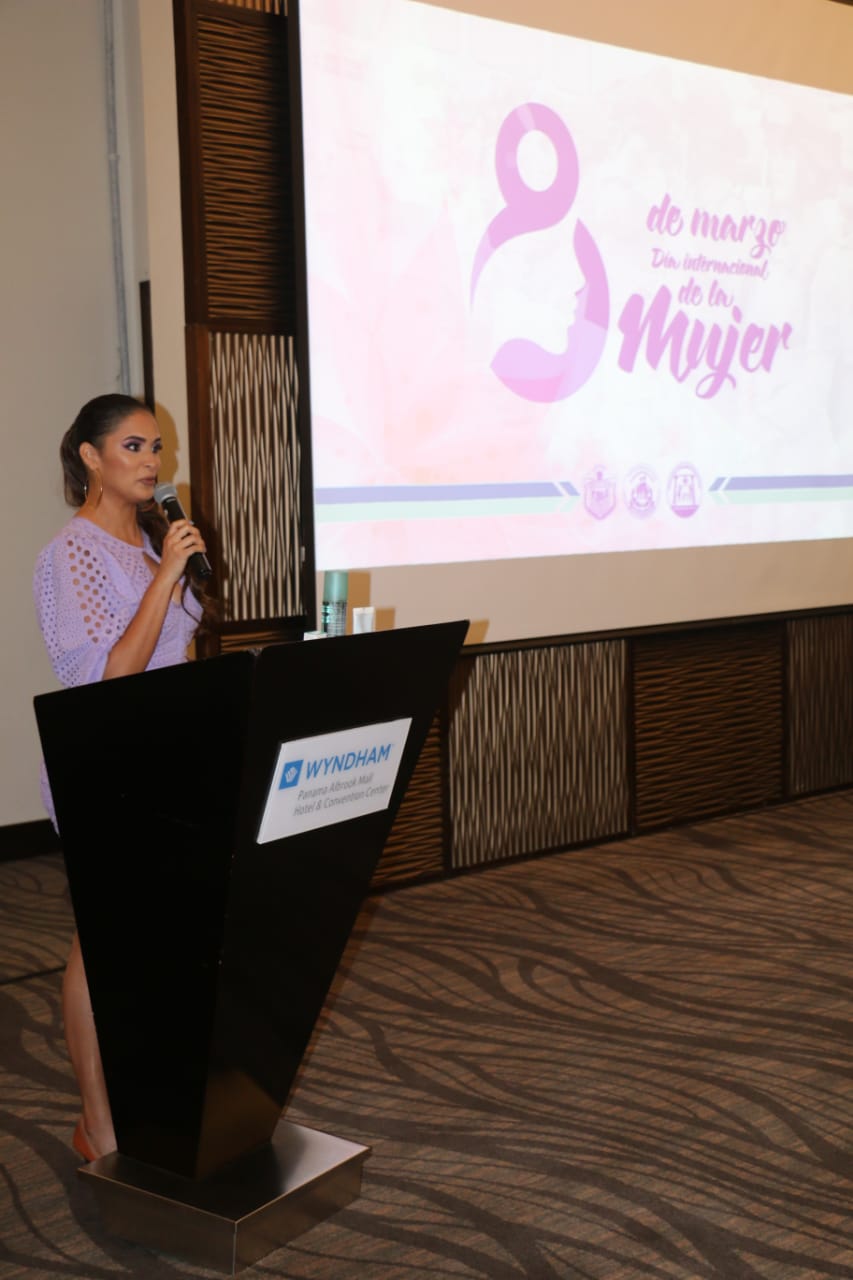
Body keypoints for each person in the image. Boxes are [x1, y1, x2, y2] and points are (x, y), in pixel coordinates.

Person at [33, 393, 211, 1163]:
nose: (152, 461)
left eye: (157, 447)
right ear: (91, 458)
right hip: (107, 763)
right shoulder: (70, 554)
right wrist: (165, 578)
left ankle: (155, 1095)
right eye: (133, 446)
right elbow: (105, 679)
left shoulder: (152, 543)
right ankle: (97, 1123)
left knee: (158, 937)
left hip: (174, 758)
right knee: (101, 940)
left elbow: (179, 655)